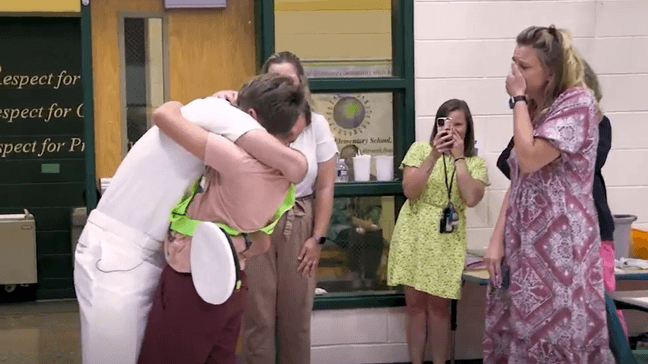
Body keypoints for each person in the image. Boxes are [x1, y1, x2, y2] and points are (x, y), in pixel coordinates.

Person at [73, 74, 307, 364]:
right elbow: (293, 167)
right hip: (122, 250)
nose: (284, 144)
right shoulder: (225, 119)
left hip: (173, 260)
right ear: (251, 117)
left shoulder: (237, 151)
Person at [482, 25, 614, 362]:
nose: (514, 73)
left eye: (524, 67)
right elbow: (520, 180)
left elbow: (528, 159)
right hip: (524, 244)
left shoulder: (577, 103)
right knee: (520, 333)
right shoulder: (537, 109)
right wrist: (496, 239)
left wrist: (518, 99)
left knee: (556, 336)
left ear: (550, 70)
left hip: (560, 250)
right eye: (514, 63)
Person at [216, 51, 338, 364]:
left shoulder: (316, 125)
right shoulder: (248, 122)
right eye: (277, 82)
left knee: (296, 318)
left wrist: (317, 238)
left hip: (299, 221)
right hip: (254, 220)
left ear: (302, 86)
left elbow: (324, 186)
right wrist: (220, 101)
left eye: (290, 82)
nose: (285, 88)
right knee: (257, 315)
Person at [495, 59, 628, 339]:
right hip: (540, 237)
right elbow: (509, 165)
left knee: (592, 315)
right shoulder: (537, 125)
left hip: (586, 234)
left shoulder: (598, 123)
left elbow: (586, 166)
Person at [387, 99, 489, 364]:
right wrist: (433, 155)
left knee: (440, 309)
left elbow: (471, 197)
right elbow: (410, 190)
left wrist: (458, 157)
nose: (452, 130)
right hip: (415, 233)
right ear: (437, 125)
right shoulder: (420, 150)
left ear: (468, 129)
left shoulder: (474, 163)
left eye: (459, 125)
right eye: (446, 123)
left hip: (447, 239)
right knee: (415, 307)